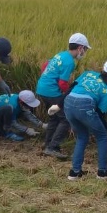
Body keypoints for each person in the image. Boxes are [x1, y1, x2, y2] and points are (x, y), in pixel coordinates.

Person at [63, 58, 107, 180]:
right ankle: (102, 172)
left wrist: (59, 104)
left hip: (68, 103)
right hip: (85, 106)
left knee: (82, 136)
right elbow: (99, 116)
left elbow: (70, 88)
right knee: (102, 136)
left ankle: (74, 172)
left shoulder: (88, 73)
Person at [37, 32, 90, 160]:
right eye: (85, 49)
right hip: (51, 91)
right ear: (80, 48)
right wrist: (68, 94)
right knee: (65, 119)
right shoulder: (69, 62)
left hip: (41, 88)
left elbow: (45, 66)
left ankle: (47, 144)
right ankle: (52, 147)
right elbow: (62, 83)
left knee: (54, 118)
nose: (84, 52)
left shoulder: (61, 54)